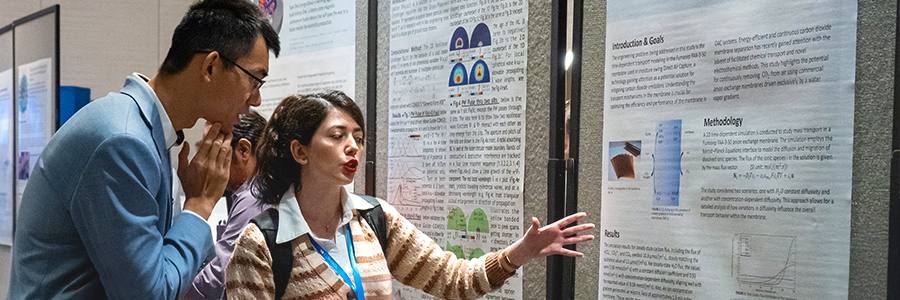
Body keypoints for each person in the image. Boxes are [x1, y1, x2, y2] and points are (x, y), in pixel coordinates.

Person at [8, 0, 280, 298]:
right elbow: (148, 294)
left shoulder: (145, 132)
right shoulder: (122, 141)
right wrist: (199, 206)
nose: (256, 100)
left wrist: (192, 204)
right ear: (211, 66)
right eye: (255, 81)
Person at [225, 91, 594, 299]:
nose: (353, 147)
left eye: (358, 137)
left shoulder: (374, 219)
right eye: (337, 136)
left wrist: (521, 252)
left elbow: (454, 279)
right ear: (300, 151)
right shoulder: (262, 243)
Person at [184, 111, 271, 300]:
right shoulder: (260, 189)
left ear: (243, 150)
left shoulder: (253, 196)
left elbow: (221, 275)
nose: (207, 162)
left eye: (213, 151)